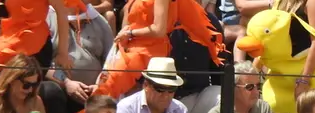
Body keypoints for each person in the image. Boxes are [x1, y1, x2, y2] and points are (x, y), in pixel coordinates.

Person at [90, 0, 223, 102]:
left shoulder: (209, 22)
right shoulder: (133, 7)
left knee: (223, 100)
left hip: (193, 95)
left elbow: (220, 72)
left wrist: (131, 33)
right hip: (151, 89)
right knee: (111, 93)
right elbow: (127, 31)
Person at [0, 0, 71, 84]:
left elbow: (61, 12)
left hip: (36, 48)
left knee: (25, 91)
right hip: (7, 43)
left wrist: (63, 53)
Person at [203, 60, 279, 113]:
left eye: (258, 86)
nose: (256, 92)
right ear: (233, 88)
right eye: (249, 87)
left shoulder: (264, 109)